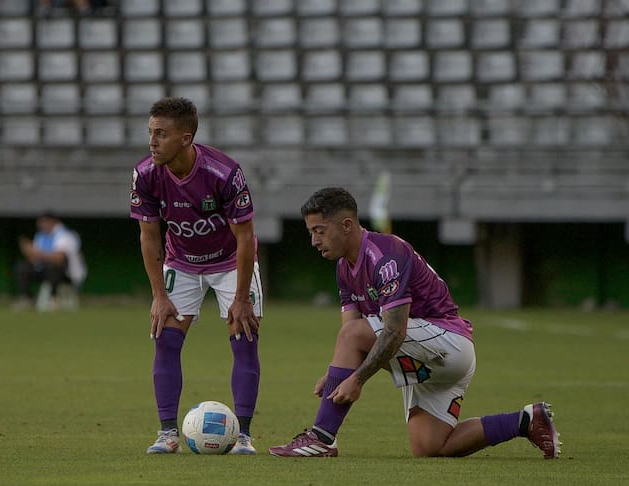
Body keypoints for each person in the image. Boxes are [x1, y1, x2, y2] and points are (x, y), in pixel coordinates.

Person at [269, 187, 560, 459]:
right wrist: (335, 374)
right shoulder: (344, 268)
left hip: (449, 343)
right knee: (431, 446)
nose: (314, 241)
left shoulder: (386, 255)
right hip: (426, 360)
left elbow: (393, 330)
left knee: (354, 334)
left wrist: (356, 380)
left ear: (346, 225)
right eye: (310, 232)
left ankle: (321, 439)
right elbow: (351, 329)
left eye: (319, 231)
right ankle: (526, 420)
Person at [130, 96, 263, 455]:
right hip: (182, 261)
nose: (152, 141)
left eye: (161, 134)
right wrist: (159, 294)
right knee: (166, 340)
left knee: (244, 337)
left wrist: (241, 297)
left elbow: (246, 236)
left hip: (230, 262)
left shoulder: (224, 172)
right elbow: (149, 235)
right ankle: (167, 433)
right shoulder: (145, 174)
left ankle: (245, 437)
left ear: (186, 138)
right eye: (150, 133)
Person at [14, 211, 87, 311]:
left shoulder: (66, 235)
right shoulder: (40, 236)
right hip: (44, 270)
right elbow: (35, 258)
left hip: (67, 274)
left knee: (52, 267)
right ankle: (27, 299)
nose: (41, 225)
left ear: (52, 222)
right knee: (22, 267)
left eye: (43, 222)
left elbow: (59, 259)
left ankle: (54, 298)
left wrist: (37, 253)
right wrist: (28, 251)